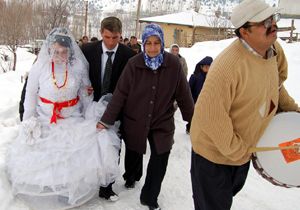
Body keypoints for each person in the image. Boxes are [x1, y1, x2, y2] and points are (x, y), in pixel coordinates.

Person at [190, 0, 300, 210]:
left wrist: (294, 113)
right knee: (213, 205)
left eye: (273, 19)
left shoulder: (273, 50)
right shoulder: (227, 67)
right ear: (245, 32)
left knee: (227, 197)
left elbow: (275, 86)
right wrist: (239, 151)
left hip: (242, 151)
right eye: (265, 22)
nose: (273, 25)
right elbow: (210, 115)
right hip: (214, 156)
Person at [6, 28, 121, 210]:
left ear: (70, 51)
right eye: (56, 51)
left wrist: (88, 114)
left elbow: (85, 94)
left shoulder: (78, 67)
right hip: (45, 120)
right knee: (48, 157)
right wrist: (28, 120)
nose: (60, 55)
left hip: (72, 119)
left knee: (72, 158)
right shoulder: (40, 67)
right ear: (50, 49)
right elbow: (30, 94)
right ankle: (48, 191)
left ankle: (67, 193)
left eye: (64, 52)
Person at [96, 23, 194, 210]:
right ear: (143, 44)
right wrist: (106, 120)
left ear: (162, 43)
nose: (152, 47)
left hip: (162, 121)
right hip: (136, 119)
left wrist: (194, 121)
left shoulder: (173, 64)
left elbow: (184, 95)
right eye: (148, 43)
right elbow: (120, 94)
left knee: (161, 157)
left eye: (156, 43)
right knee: (134, 151)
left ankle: (149, 196)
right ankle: (131, 177)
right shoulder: (134, 64)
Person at [81, 16, 135, 201]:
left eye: (115, 38)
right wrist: (83, 87)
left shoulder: (129, 56)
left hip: (116, 110)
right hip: (90, 107)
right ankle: (83, 182)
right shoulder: (87, 50)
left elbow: (131, 85)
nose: (111, 42)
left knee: (112, 148)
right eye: (107, 37)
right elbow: (78, 74)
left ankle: (107, 187)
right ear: (101, 33)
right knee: (87, 146)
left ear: (121, 35)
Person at [186, 56, 212, 133]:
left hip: (207, 100)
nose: (207, 68)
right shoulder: (195, 76)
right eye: (205, 66)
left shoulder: (211, 77)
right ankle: (189, 128)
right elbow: (189, 89)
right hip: (195, 100)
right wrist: (190, 100)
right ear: (201, 67)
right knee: (194, 117)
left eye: (209, 66)